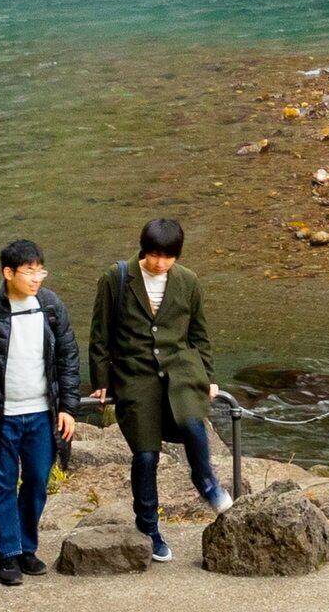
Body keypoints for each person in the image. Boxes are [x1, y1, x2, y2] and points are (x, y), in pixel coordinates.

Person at [83, 218, 225, 562]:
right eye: (155, 255)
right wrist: (100, 380)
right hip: (135, 375)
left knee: (193, 422)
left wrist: (208, 376)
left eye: (168, 256)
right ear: (144, 250)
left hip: (180, 369)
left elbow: (199, 334)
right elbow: (100, 334)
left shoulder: (188, 281)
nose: (160, 263)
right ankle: (148, 526)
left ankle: (206, 481)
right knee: (146, 455)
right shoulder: (116, 278)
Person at [0, 238, 78, 588]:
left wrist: (68, 407)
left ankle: (27, 546)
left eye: (41, 271)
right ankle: (8, 554)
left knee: (38, 479)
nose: (36, 278)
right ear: (8, 273)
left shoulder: (50, 306)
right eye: (29, 272)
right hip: (1, 416)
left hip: (42, 413)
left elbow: (68, 357)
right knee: (1, 484)